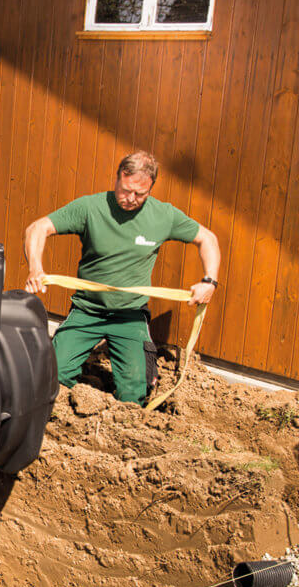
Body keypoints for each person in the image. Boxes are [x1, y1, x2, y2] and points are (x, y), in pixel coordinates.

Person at [23, 151, 221, 404]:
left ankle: (142, 373)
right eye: (125, 190)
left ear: (151, 189)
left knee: (134, 394)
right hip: (87, 311)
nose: (130, 199)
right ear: (117, 179)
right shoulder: (91, 207)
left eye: (140, 194)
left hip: (130, 316)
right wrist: (35, 267)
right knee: (51, 377)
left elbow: (208, 239)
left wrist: (209, 280)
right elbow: (37, 228)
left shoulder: (163, 215)